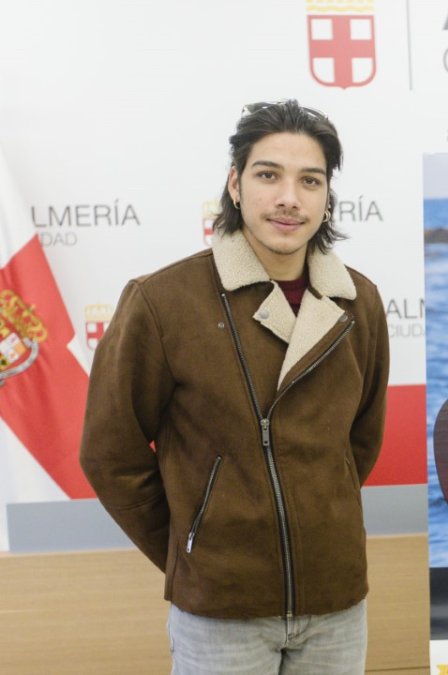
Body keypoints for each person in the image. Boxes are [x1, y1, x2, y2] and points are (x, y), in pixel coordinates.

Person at [79, 99, 389, 674]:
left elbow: (359, 443)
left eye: (310, 180)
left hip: (337, 599)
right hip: (220, 612)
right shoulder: (161, 301)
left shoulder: (359, 300)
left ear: (327, 195)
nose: (289, 198)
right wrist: (192, 551)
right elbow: (109, 453)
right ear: (235, 185)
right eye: (268, 174)